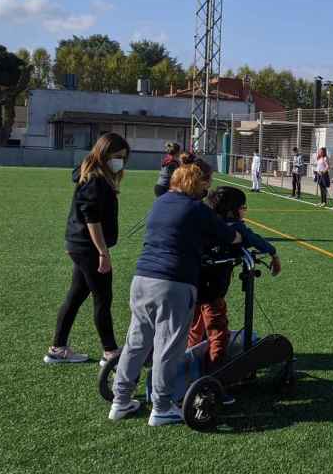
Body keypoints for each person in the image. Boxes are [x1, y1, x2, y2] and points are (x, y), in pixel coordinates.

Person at [109, 156, 242, 426]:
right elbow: (228, 236)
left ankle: (120, 400)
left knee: (137, 342)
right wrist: (239, 236)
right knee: (168, 347)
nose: (209, 188)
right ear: (198, 183)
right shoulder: (196, 209)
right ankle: (162, 406)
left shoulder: (159, 203)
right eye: (208, 183)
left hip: (142, 279)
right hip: (173, 283)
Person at [46, 132, 130, 365]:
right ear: (104, 154)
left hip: (80, 245)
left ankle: (58, 348)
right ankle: (110, 352)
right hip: (88, 248)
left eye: (123, 157)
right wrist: (103, 252)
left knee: (76, 295)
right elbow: (92, 220)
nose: (120, 161)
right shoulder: (95, 179)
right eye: (117, 156)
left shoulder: (95, 175)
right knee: (103, 298)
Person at [188, 186, 281, 375]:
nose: (244, 210)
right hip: (213, 290)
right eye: (243, 206)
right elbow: (255, 239)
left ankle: (188, 362)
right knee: (218, 331)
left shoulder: (203, 222)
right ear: (232, 210)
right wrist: (273, 254)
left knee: (195, 327)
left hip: (193, 285)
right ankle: (217, 373)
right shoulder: (233, 227)